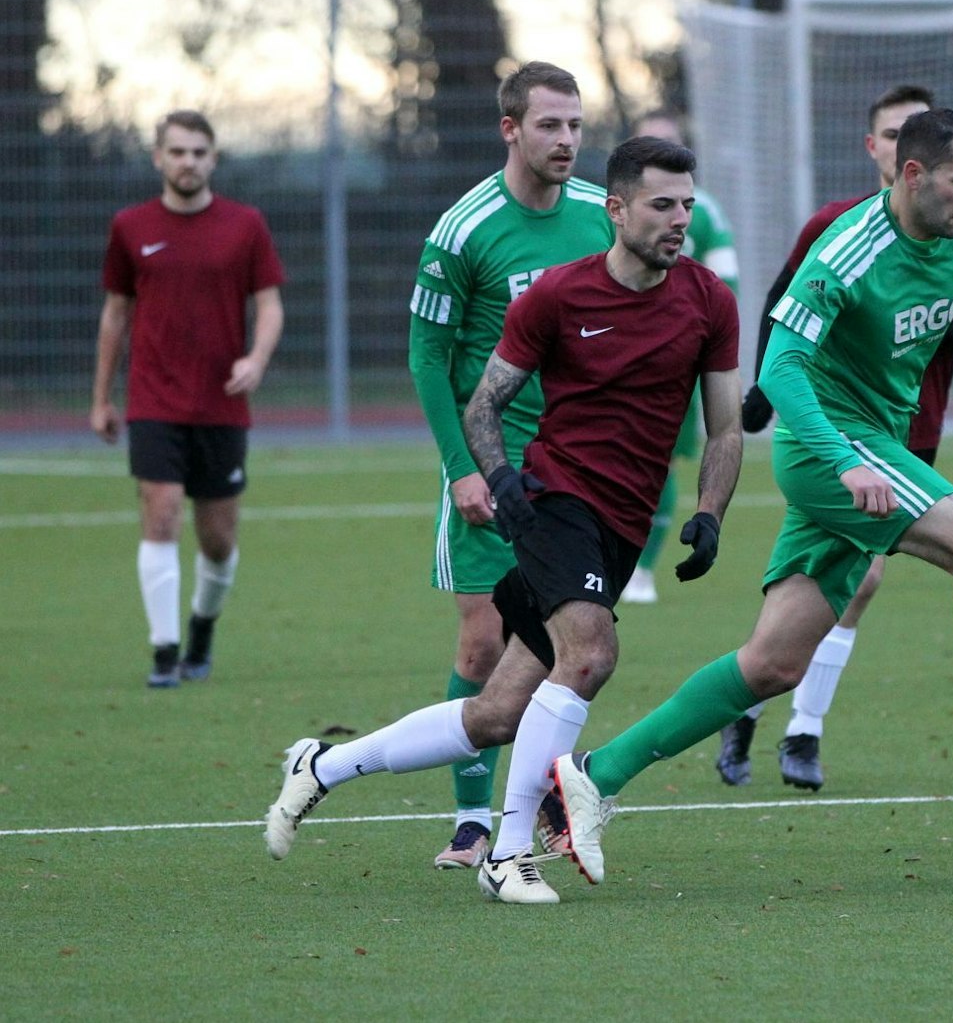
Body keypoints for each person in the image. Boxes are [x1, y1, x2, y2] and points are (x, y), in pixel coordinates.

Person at [545, 108, 953, 890]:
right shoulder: (847, 249)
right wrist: (845, 460)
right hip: (828, 450)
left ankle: (593, 774)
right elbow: (778, 369)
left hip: (873, 448)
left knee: (773, 662)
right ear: (914, 175)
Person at [265, 137, 743, 905]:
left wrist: (711, 513)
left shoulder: (709, 301)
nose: (679, 219)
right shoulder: (557, 294)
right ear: (616, 209)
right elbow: (483, 401)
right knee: (590, 653)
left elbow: (724, 428)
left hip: (619, 527)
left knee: (497, 711)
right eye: (662, 204)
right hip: (557, 501)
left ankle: (320, 765)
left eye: (687, 203)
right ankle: (509, 852)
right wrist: (498, 479)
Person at [720, 84, 953, 792]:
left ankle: (748, 705)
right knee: (863, 576)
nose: (901, 138)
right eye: (891, 130)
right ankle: (802, 730)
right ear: (880, 149)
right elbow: (783, 308)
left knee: (819, 591)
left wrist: (935, 325)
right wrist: (761, 390)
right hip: (840, 430)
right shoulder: (836, 226)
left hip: (915, 424)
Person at [407, 61, 618, 870]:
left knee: (573, 642)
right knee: (482, 642)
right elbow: (429, 358)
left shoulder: (605, 216)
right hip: (491, 467)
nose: (566, 140)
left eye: (574, 125)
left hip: (576, 466)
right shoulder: (463, 230)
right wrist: (462, 467)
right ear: (510, 129)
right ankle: (470, 818)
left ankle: (537, 804)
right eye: (549, 125)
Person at [90, 110, 285, 689]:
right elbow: (115, 315)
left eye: (199, 152)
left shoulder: (245, 225)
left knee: (218, 540)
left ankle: (201, 626)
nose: (188, 162)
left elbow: (270, 303)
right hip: (152, 400)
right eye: (177, 152)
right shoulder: (130, 226)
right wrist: (101, 397)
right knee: (161, 511)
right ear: (158, 157)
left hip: (221, 406)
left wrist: (256, 358)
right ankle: (164, 651)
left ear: (213, 159)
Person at [620, 109, 739, 606]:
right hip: (617, 351)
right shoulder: (619, 211)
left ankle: (642, 569)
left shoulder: (705, 213)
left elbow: (724, 282)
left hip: (676, 356)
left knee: (661, 462)